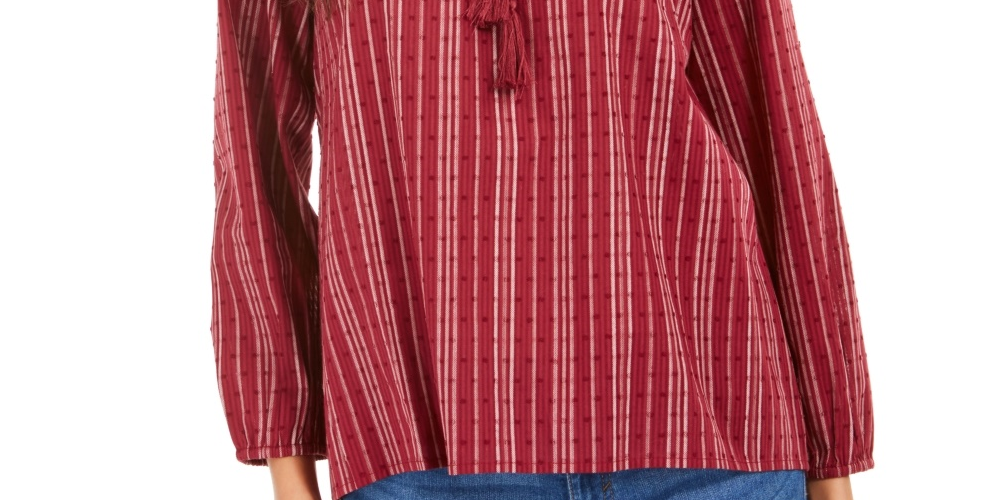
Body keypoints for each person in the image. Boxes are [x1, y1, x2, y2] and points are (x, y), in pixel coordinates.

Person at [208, 0, 875, 498]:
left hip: (705, 442)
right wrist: (288, 463)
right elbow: (257, 170)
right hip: (420, 446)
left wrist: (832, 452)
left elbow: (774, 134)